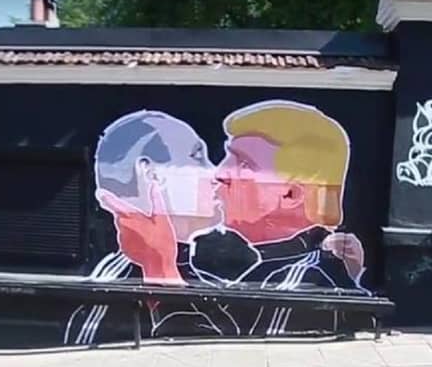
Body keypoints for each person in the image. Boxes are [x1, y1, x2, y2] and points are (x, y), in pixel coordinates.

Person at [65, 103, 367, 345]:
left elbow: (209, 363)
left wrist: (161, 270)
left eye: (243, 163)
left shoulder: (303, 283)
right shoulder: (252, 274)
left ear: (290, 195)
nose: (218, 173)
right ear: (150, 175)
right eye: (201, 157)